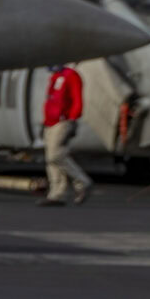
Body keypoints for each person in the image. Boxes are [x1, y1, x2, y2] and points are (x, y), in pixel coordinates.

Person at [41, 62, 91, 206]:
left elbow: (77, 99)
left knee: (56, 155)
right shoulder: (56, 76)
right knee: (51, 160)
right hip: (50, 122)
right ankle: (57, 194)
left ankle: (82, 181)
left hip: (63, 121)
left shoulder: (71, 75)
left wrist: (72, 118)